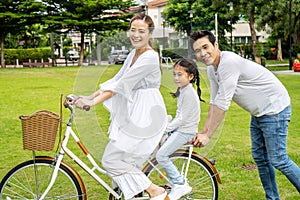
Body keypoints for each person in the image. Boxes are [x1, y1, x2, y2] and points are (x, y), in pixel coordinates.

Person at [190, 30, 300, 199]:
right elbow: (214, 101)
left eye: (205, 47)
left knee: (279, 159)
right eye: (198, 50)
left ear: (216, 45)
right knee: (260, 158)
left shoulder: (229, 63)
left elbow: (223, 103)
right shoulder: (213, 69)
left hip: (274, 109)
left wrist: (208, 136)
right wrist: (203, 132)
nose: (202, 53)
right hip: (259, 113)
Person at [75, 13, 169, 200]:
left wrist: (93, 103)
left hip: (146, 111)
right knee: (125, 161)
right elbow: (116, 79)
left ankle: (155, 190)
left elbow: (123, 84)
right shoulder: (134, 54)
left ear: (150, 33)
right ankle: (133, 194)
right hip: (134, 108)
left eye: (141, 31)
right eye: (132, 30)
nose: (136, 35)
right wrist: (88, 96)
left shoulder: (150, 56)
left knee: (112, 160)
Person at [156, 58, 204, 200]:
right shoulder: (183, 90)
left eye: (180, 75)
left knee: (161, 155)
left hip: (186, 132)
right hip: (180, 130)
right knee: (156, 148)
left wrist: (166, 129)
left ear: (190, 77)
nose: (176, 78)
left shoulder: (188, 93)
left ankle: (179, 182)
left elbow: (182, 119)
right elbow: (179, 115)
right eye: (174, 74)